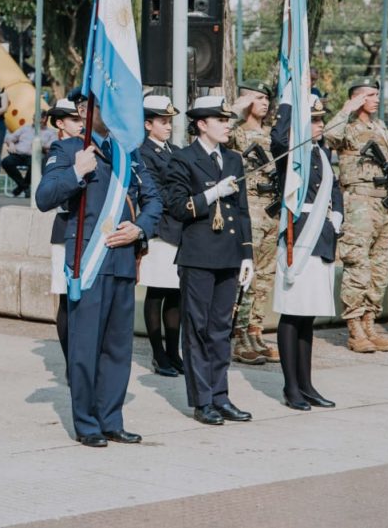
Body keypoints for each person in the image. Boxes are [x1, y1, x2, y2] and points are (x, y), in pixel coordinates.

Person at [36, 108, 160, 447]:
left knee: (119, 348)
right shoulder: (69, 149)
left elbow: (153, 201)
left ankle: (112, 420)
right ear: (87, 109)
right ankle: (87, 423)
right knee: (85, 345)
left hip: (122, 259)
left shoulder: (128, 152)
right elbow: (44, 198)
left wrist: (140, 228)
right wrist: (77, 170)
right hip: (88, 262)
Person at [164, 96, 256, 427]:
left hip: (229, 254)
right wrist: (213, 193)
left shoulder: (233, 159)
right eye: (220, 119)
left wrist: (247, 254)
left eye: (228, 119)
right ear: (202, 124)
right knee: (197, 329)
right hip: (199, 254)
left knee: (220, 329)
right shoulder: (183, 159)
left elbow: (243, 209)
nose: (227, 124)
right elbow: (176, 207)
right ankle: (202, 401)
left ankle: (221, 395)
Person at [323, 78, 388, 353]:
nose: (376, 99)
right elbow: (328, 136)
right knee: (357, 265)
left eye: (377, 94)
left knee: (379, 269)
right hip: (358, 203)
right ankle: (355, 327)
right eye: (370, 95)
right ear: (358, 98)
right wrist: (347, 107)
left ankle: (370, 322)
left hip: (383, 203)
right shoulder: (346, 126)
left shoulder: (379, 127)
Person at [271, 97, 342, 411]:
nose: (320, 125)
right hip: (297, 237)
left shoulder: (322, 153)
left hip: (322, 236)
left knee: (307, 315)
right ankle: (291, 386)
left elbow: (335, 189)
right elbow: (277, 138)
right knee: (292, 312)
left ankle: (307, 383)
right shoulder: (292, 154)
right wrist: (288, 103)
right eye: (313, 120)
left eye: (321, 120)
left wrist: (337, 215)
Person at [227, 81, 280, 365]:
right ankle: (239, 335)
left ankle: (255, 330)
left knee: (265, 276)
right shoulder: (235, 132)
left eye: (266, 99)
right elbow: (217, 135)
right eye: (258, 98)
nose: (264, 103)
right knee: (246, 277)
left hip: (272, 211)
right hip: (249, 209)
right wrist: (238, 106)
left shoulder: (272, 136)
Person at [138, 95, 183, 377]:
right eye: (163, 122)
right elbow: (156, 192)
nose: (168, 127)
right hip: (159, 229)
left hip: (178, 229)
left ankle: (173, 352)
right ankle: (158, 354)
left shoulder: (173, 150)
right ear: (147, 124)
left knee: (175, 294)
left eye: (169, 122)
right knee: (157, 292)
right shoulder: (143, 153)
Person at [44, 99, 84, 371]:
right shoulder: (60, 149)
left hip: (91, 228)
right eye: (73, 119)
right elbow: (51, 192)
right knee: (66, 297)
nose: (80, 123)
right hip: (67, 226)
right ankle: (71, 361)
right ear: (60, 123)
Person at [1, 121, 36, 197]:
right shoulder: (25, 128)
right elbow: (9, 138)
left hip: (33, 156)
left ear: (44, 119)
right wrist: (11, 143)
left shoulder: (49, 132)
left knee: (35, 165)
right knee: (6, 162)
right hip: (18, 154)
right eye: (34, 118)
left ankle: (20, 188)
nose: (34, 121)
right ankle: (25, 187)